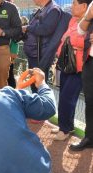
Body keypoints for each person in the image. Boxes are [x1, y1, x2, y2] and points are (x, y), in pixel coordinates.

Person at [52, 0, 92, 141]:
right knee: (63, 93)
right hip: (65, 63)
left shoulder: (89, 23)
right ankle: (67, 125)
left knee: (67, 98)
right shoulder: (73, 19)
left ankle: (64, 129)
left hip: (78, 67)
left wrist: (71, 39)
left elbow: (81, 42)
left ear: (85, 7)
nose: (72, 6)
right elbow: (67, 38)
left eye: (75, 3)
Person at [22, 0, 67, 93]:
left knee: (38, 84)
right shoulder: (45, 8)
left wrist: (28, 28)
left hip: (40, 55)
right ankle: (35, 104)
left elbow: (46, 29)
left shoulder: (53, 10)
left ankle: (40, 106)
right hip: (34, 53)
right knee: (33, 84)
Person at [69, 1, 93, 151]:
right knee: (90, 102)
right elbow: (81, 29)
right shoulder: (91, 6)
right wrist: (89, 16)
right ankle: (89, 138)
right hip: (90, 60)